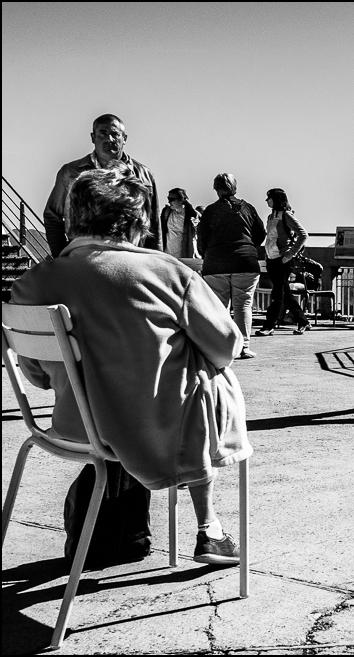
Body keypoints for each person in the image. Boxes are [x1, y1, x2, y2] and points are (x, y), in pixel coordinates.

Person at [12, 164, 251, 565]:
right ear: (137, 220)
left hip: (72, 428)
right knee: (207, 372)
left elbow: (36, 376)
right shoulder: (165, 272)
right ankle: (209, 527)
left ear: (73, 218)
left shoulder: (32, 282)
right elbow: (227, 346)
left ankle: (205, 527)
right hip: (156, 431)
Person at [43, 114, 161, 258]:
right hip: (82, 257)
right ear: (93, 137)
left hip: (131, 257)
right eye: (103, 133)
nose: (109, 139)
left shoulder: (144, 175)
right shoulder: (70, 173)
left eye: (115, 134)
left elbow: (154, 223)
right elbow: (52, 216)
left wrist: (155, 259)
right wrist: (61, 255)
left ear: (124, 139)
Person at [198, 174, 265, 359]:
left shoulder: (210, 211)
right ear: (234, 187)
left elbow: (201, 238)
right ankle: (243, 347)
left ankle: (221, 346)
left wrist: (208, 254)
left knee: (219, 306)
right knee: (243, 305)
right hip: (246, 262)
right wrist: (248, 247)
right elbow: (261, 233)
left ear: (216, 189)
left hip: (216, 263)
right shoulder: (247, 208)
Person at [254, 188, 311, 336]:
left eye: (269, 198)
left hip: (283, 259)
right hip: (272, 259)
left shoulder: (286, 215)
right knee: (285, 293)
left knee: (277, 293)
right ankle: (302, 320)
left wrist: (291, 253)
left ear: (276, 199)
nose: (267, 201)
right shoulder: (270, 217)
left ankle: (269, 325)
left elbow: (303, 234)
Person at [161, 188, 200, 259]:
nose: (169, 202)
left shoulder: (192, 215)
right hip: (167, 256)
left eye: (172, 199)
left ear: (181, 200)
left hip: (185, 257)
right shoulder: (166, 212)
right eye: (168, 198)